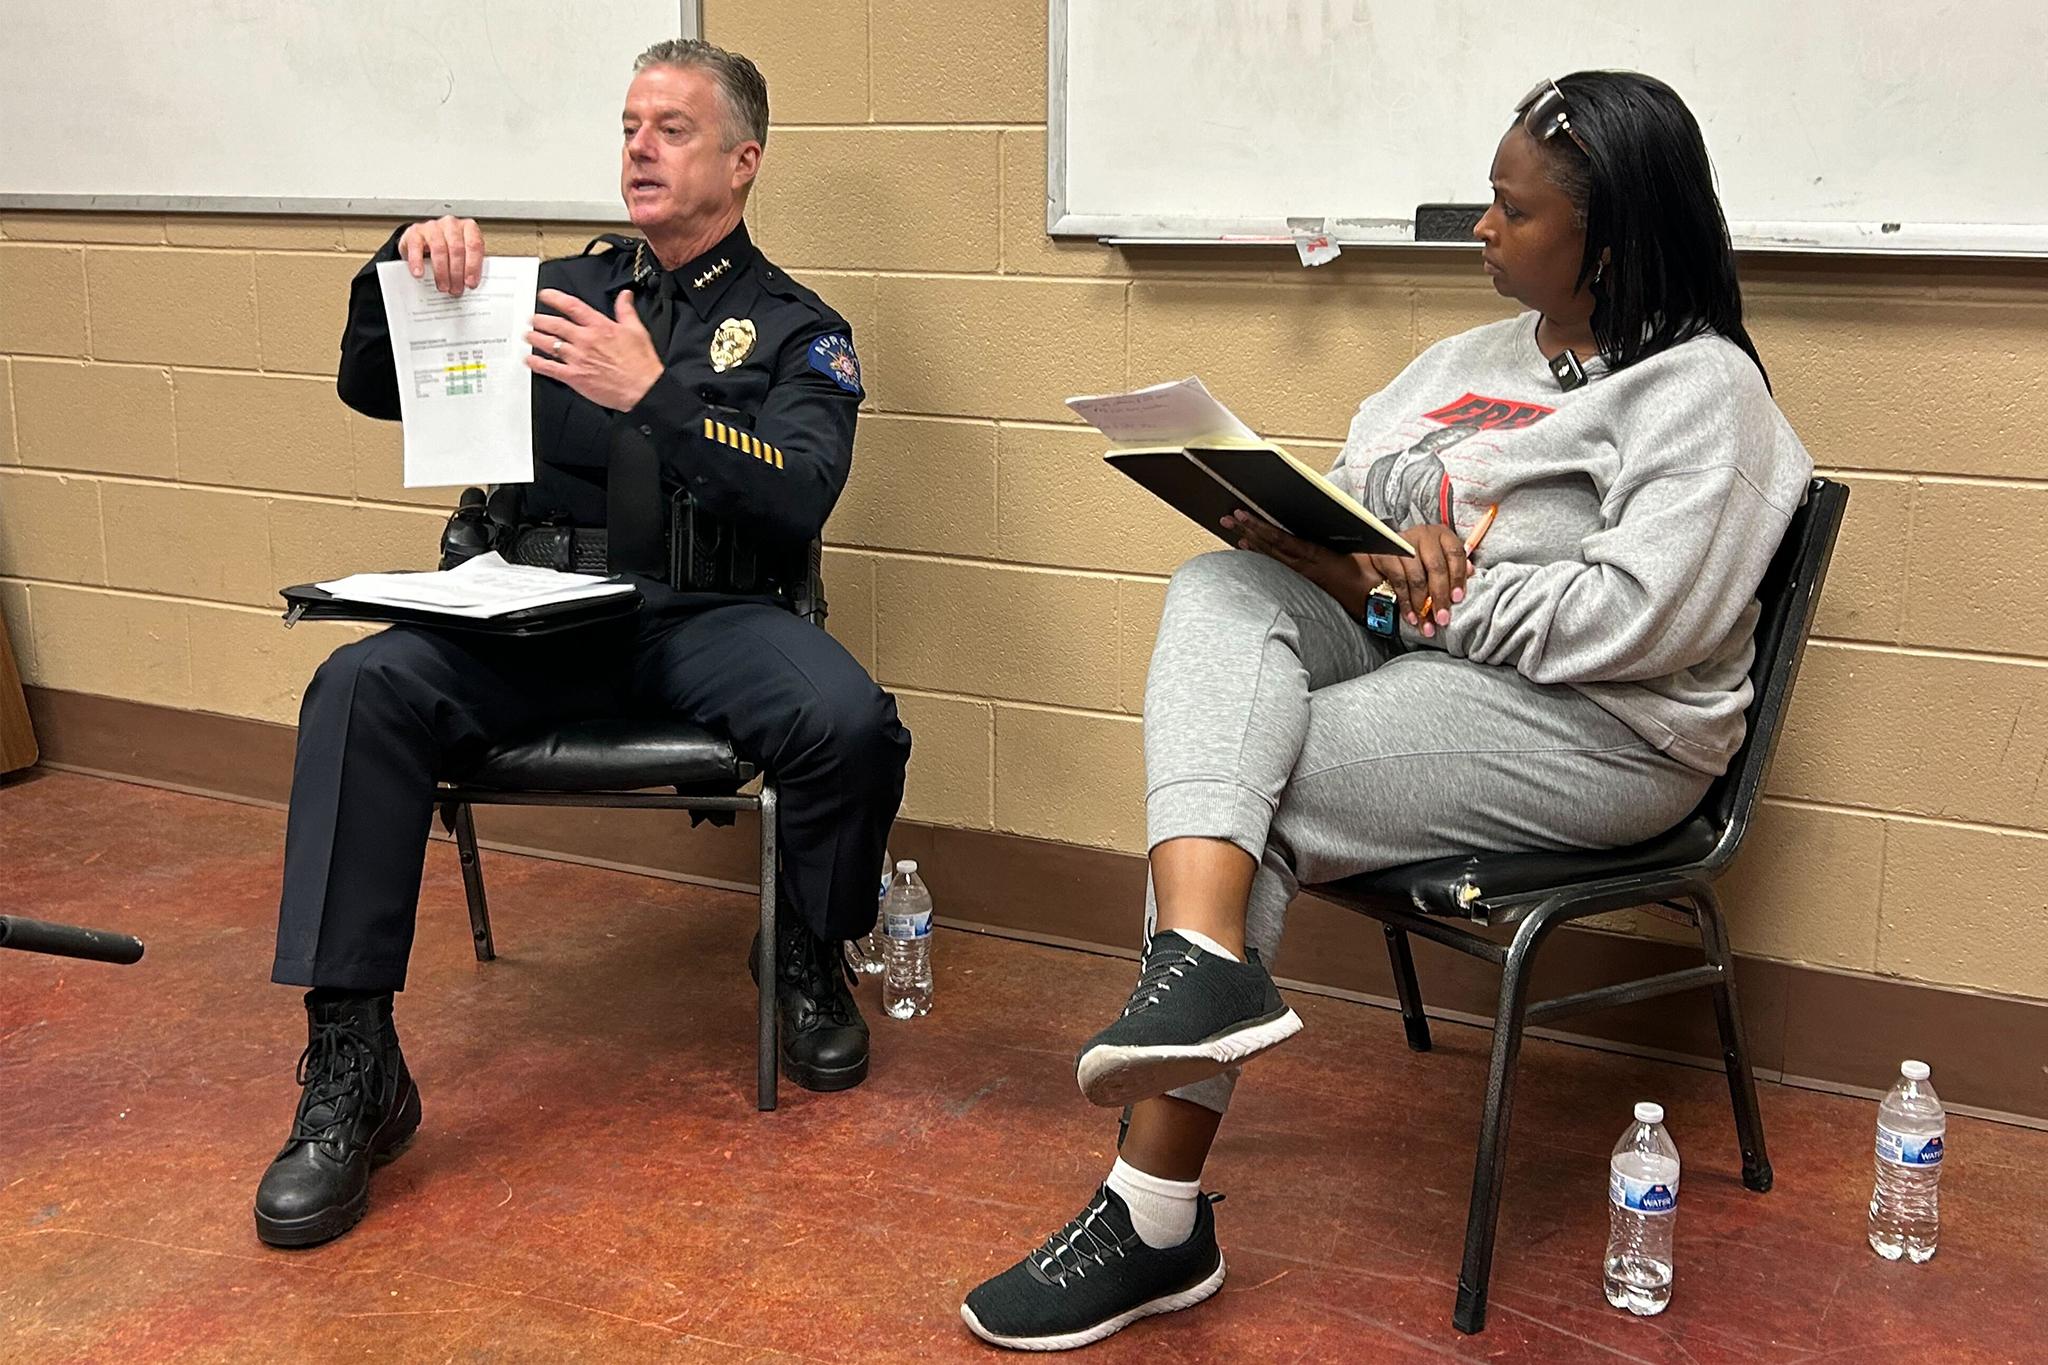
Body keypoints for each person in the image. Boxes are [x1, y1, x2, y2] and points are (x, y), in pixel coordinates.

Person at [960, 70, 1814, 1350]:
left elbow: (1634, 626)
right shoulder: (1471, 355)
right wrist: (1390, 524)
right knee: (1218, 583)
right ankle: (1197, 969)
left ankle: (1150, 1218)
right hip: (1421, 659)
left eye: (1510, 211)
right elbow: (1363, 464)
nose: (1481, 227)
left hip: (1601, 732)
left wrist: (1424, 595)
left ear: (1610, 239)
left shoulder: (1706, 401)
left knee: (1269, 793)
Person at [253, 38, 911, 1249]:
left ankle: (807, 952)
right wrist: (397, 266)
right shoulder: (550, 285)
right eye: (626, 126)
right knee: (358, 687)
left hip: (706, 615)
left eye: (670, 127)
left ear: (742, 161)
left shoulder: (795, 328)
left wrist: (653, 395)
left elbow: (801, 496)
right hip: (531, 608)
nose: (638, 149)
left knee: (848, 723)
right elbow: (374, 385)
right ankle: (352, 1065)